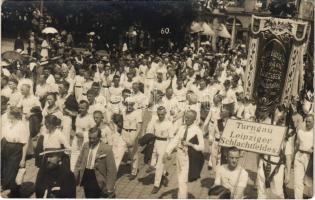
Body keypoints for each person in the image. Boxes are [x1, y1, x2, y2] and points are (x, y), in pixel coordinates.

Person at [164, 110, 204, 198]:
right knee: (180, 179)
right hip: (179, 155)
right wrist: (168, 151)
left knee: (183, 181)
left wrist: (191, 144)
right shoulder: (182, 128)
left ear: (194, 119)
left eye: (188, 118)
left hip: (188, 157)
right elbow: (176, 140)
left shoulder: (197, 131)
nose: (186, 119)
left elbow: (202, 147)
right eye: (185, 117)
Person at [74, 127, 117, 198]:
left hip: (97, 177)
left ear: (99, 137)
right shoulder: (86, 145)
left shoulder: (106, 149)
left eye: (94, 138)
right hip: (86, 175)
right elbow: (79, 161)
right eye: (90, 138)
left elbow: (112, 170)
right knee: (88, 195)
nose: (91, 140)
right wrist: (75, 176)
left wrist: (110, 188)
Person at [1, 107, 29, 197]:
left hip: (16, 149)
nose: (7, 114)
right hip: (6, 148)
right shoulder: (8, 124)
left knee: (13, 170)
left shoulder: (22, 126)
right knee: (5, 169)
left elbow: (25, 144)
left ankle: (11, 191)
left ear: (13, 115)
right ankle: (6, 188)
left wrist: (23, 159)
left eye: (9, 113)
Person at [148, 106, 173, 194]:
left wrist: (169, 152)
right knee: (153, 161)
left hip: (164, 143)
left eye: (162, 114)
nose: (160, 116)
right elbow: (152, 133)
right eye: (158, 114)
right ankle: (164, 172)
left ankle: (156, 185)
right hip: (156, 142)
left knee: (159, 165)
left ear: (165, 114)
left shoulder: (169, 123)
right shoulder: (155, 122)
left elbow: (171, 138)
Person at [121, 97, 143, 180]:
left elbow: (139, 127)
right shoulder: (123, 112)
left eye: (131, 105)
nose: (129, 106)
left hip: (133, 133)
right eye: (127, 104)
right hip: (124, 132)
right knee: (120, 151)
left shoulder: (138, 113)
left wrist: (134, 138)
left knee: (133, 153)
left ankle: (133, 171)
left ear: (133, 105)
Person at [294, 114, 313, 199]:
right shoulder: (300, 131)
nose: (308, 123)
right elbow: (297, 144)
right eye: (306, 121)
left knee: (311, 182)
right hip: (299, 156)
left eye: (310, 121)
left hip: (311, 158)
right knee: (297, 181)